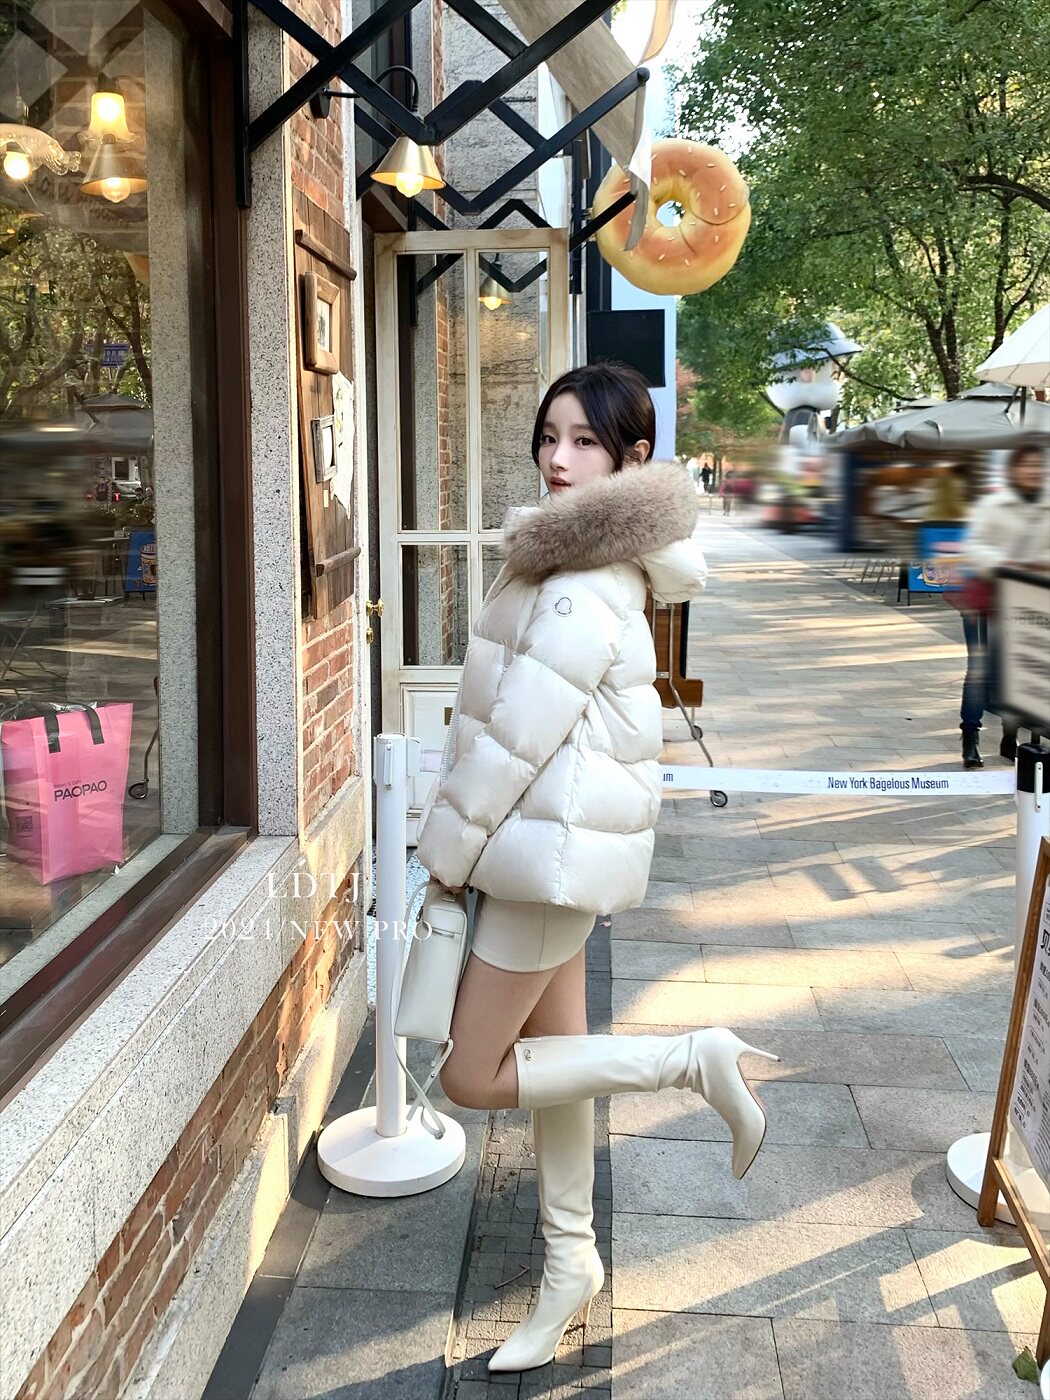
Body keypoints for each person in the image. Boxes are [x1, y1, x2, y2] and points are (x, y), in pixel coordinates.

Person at [416, 363, 776, 1375]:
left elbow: (514, 740)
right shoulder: (575, 556)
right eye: (549, 436)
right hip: (551, 849)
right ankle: (571, 1262)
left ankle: (693, 1060)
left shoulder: (579, 579)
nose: (558, 458)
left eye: (583, 441)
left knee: (471, 1073)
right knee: (556, 1064)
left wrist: (447, 852)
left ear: (631, 457)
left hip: (543, 856)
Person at [958, 444, 1049, 768]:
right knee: (980, 671)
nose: (1032, 471)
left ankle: (1011, 735)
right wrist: (1004, 563)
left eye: (1038, 465)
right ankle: (970, 736)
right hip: (987, 602)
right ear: (1013, 469)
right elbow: (973, 546)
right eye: (1026, 465)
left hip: (1028, 602)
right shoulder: (992, 504)